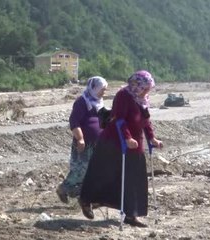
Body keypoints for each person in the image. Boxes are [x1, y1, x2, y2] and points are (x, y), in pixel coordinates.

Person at [79, 70, 163, 227]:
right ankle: (86, 200)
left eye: (148, 88)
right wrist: (127, 137)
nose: (147, 91)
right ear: (137, 85)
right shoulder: (123, 95)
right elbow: (119, 119)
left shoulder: (142, 98)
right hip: (113, 141)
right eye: (145, 88)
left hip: (135, 143)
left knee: (134, 179)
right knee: (103, 174)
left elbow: (145, 120)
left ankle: (132, 214)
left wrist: (152, 138)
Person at [56, 76, 108, 202]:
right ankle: (64, 189)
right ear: (94, 88)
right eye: (102, 89)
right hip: (84, 144)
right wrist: (80, 139)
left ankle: (85, 196)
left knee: (95, 170)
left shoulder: (99, 103)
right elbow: (74, 122)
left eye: (105, 89)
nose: (104, 92)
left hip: (97, 143)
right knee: (80, 170)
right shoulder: (82, 102)